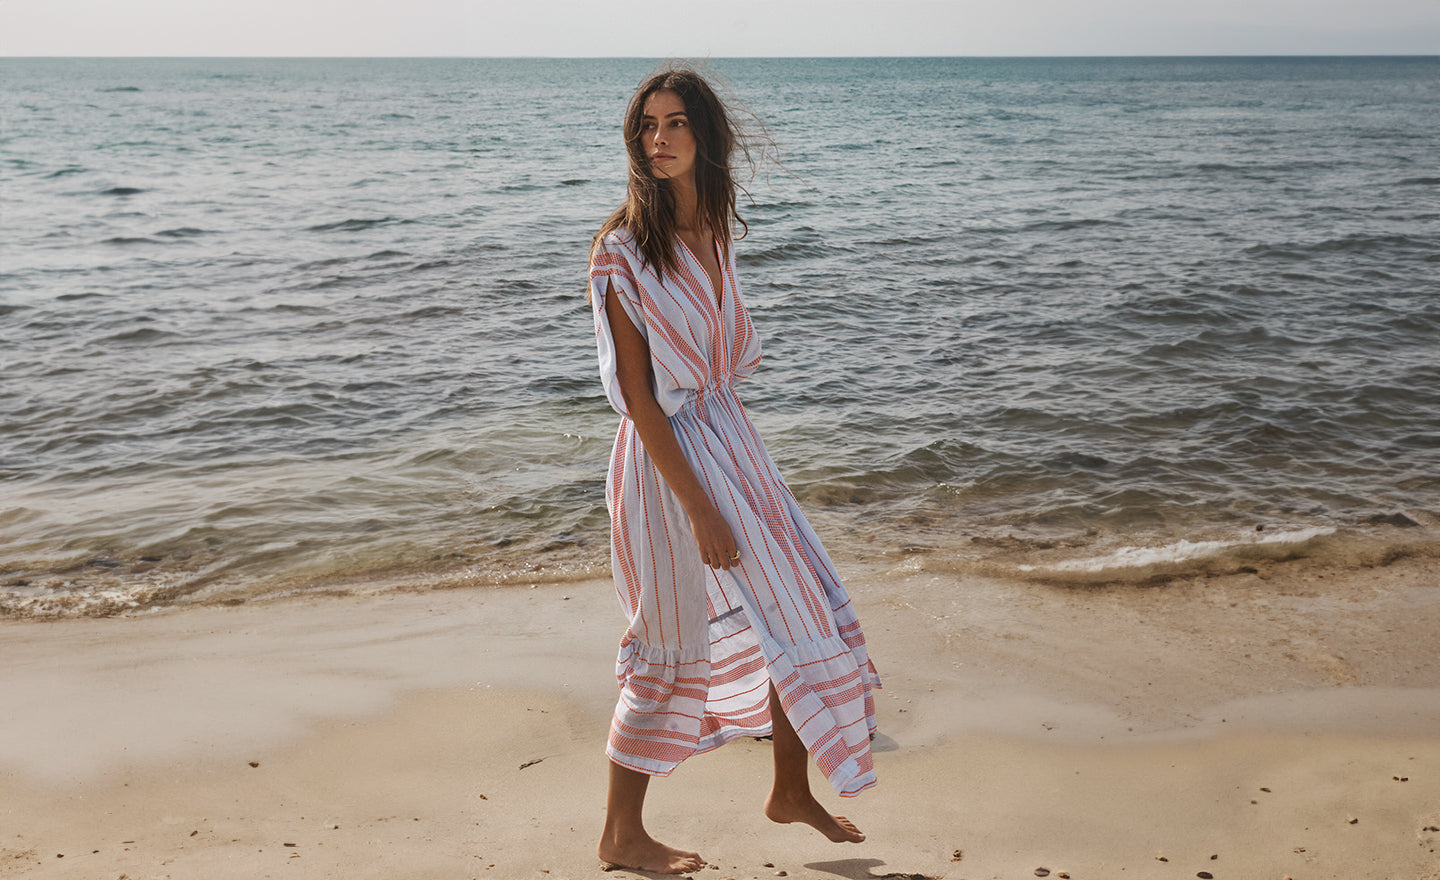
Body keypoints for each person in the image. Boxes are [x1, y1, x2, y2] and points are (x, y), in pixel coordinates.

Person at [587, 63, 881, 874]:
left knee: (801, 606)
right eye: (648, 125)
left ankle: (790, 790)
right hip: (667, 465)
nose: (658, 139)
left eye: (676, 123)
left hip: (734, 445)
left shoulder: (715, 235)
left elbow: (717, 367)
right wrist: (700, 509)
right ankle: (621, 834)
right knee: (670, 639)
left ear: (705, 135)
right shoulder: (621, 255)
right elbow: (641, 401)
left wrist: (730, 487)